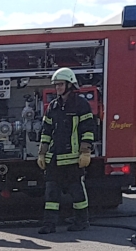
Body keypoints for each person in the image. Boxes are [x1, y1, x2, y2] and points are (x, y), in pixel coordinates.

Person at [37, 67, 96, 233]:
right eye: (56, 85)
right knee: (51, 193)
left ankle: (82, 221)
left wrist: (85, 151)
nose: (58, 88)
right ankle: (49, 224)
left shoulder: (81, 105)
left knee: (77, 192)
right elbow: (46, 131)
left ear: (70, 85)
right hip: (55, 158)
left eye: (61, 84)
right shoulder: (53, 106)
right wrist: (42, 153)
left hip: (73, 158)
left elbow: (88, 129)